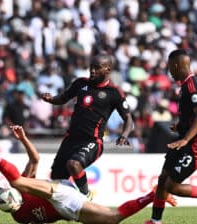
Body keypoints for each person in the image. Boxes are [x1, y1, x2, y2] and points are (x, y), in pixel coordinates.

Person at [0, 125, 177, 224]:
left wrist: (23, 138)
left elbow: (34, 160)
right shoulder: (19, 217)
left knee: (19, 181)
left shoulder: (19, 188)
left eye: (0, 194)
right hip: (69, 209)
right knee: (114, 218)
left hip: (59, 193)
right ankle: (155, 195)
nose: (1, 199)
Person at [135, 49, 197, 224]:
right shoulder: (187, 86)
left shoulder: (192, 85)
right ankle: (155, 221)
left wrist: (186, 138)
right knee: (162, 179)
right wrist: (181, 127)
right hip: (185, 139)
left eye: (169, 68)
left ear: (176, 65)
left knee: (171, 186)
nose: (169, 72)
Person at [40, 54, 134, 198]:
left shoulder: (114, 93)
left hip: (92, 141)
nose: (92, 71)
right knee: (56, 179)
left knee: (74, 164)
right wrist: (51, 99)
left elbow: (128, 118)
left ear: (107, 69)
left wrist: (124, 135)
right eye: (91, 67)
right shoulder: (80, 83)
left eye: (97, 68)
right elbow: (63, 98)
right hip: (70, 139)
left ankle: (85, 195)